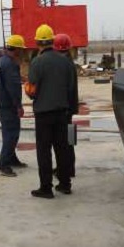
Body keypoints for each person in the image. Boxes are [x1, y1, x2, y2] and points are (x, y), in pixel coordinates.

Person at [27, 24, 78, 199]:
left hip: (43, 114)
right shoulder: (66, 62)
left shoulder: (37, 62)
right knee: (62, 149)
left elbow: (32, 91)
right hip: (63, 113)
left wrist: (29, 91)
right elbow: (71, 89)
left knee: (44, 151)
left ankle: (46, 188)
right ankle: (65, 184)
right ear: (52, 40)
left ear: (37, 42)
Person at [0, 34, 27, 177]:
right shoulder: (11, 64)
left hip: (3, 102)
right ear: (17, 49)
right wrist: (18, 106)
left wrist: (19, 78)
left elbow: (10, 81)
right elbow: (13, 88)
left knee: (8, 133)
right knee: (12, 134)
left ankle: (11, 158)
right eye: (21, 49)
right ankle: (4, 165)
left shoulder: (4, 61)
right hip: (9, 105)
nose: (22, 52)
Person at [52, 33, 79, 179]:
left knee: (64, 141)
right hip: (70, 108)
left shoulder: (63, 65)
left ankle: (67, 169)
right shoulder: (70, 63)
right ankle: (69, 168)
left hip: (64, 109)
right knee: (69, 140)